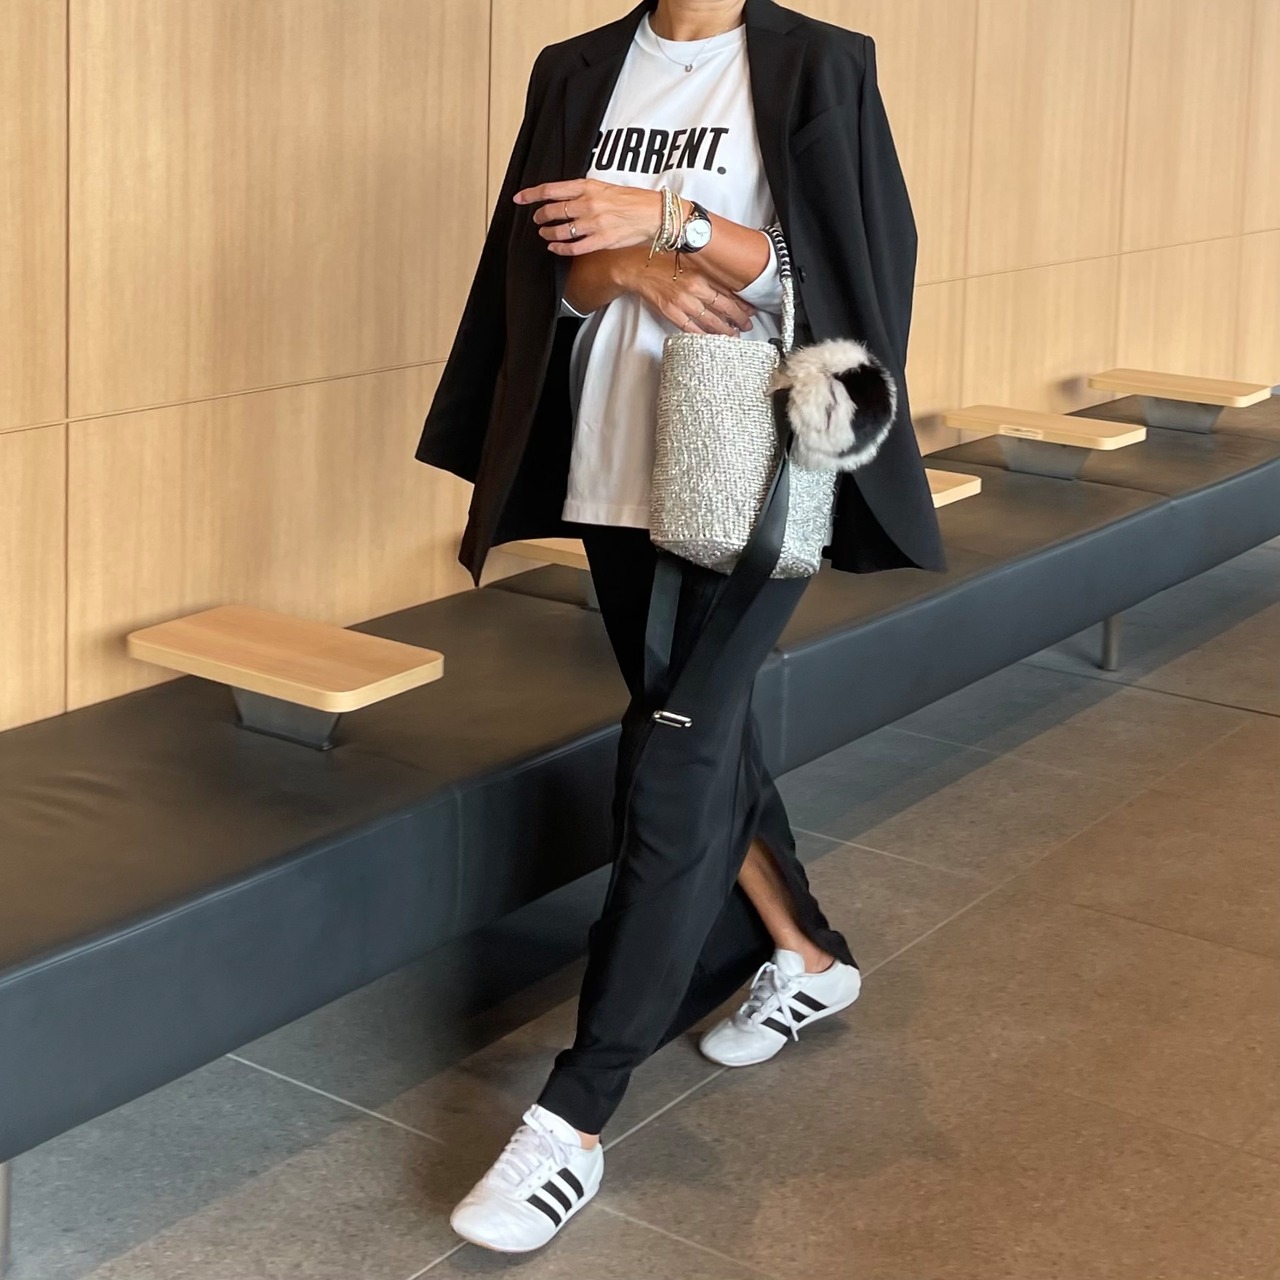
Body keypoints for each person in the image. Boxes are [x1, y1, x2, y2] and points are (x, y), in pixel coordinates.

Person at [413, 0, 944, 1254]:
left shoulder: (819, 65)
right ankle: (806, 953)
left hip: (751, 473)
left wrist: (674, 221)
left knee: (668, 764)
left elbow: (852, 278)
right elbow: (544, 273)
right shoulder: (575, 67)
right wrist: (631, 269)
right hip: (614, 465)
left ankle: (575, 1112)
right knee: (691, 734)